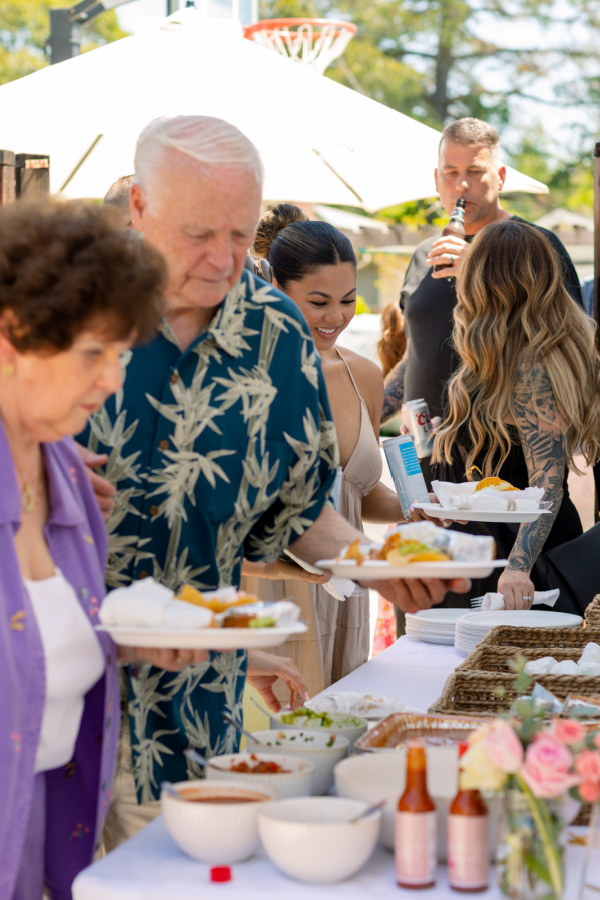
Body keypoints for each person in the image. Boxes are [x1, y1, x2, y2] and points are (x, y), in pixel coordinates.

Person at [82, 116, 470, 849]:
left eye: (240, 233)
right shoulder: (59, 312)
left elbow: (296, 508)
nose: (223, 259)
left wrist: (375, 563)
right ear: (138, 205)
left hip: (191, 701)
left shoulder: (274, 333)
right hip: (50, 681)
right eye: (199, 233)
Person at [0, 198, 165, 899]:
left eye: (120, 354)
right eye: (93, 353)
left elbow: (38, 645)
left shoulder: (66, 472)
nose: (113, 379)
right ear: (13, 337)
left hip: (48, 838)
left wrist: (129, 640)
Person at [242, 204, 408, 695]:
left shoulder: (365, 376)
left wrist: (420, 507)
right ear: (276, 288)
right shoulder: (244, 375)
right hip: (266, 599)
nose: (336, 316)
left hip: (345, 598)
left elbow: (357, 494)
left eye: (348, 300)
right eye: (318, 302)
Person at [432, 218, 600, 609]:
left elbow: (547, 480)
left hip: (523, 556)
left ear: (482, 279)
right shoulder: (506, 351)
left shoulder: (535, 365)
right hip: (497, 546)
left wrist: (518, 566)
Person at [383, 118, 583, 427]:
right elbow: (420, 352)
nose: (462, 185)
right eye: (451, 172)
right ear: (436, 179)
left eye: (475, 171)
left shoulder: (538, 245)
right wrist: (367, 414)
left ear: (500, 178)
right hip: (424, 449)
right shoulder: (425, 253)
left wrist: (484, 273)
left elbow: (569, 347)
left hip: (506, 446)